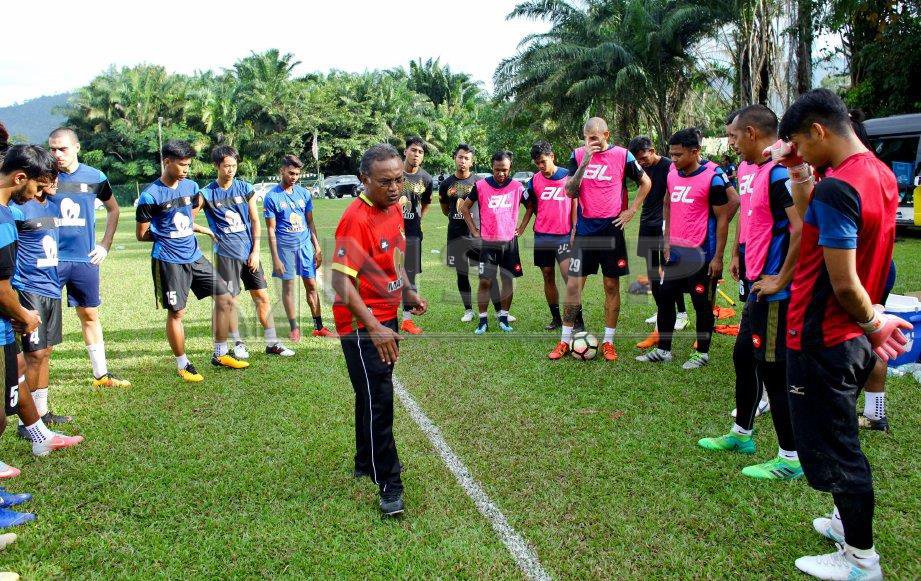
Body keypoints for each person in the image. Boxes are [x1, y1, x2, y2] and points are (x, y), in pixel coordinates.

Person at [767, 88, 912, 580]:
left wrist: (873, 322)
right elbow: (812, 223)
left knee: (836, 448)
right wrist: (798, 171)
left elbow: (844, 282)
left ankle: (860, 560)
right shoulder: (878, 173)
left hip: (823, 335)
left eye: (800, 145)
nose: (798, 154)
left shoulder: (839, 187)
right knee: (841, 432)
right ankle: (841, 523)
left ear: (818, 130)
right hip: (848, 336)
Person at [697, 104, 804, 480]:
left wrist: (781, 278)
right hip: (754, 282)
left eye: (734, 136)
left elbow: (801, 229)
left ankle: (790, 458)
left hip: (774, 291)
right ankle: (742, 435)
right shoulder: (747, 169)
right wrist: (740, 252)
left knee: (773, 371)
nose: (731, 143)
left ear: (753, 133)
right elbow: (752, 217)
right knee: (744, 356)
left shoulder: (780, 175)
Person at [331, 143, 427, 517]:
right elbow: (341, 284)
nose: (394, 187)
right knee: (380, 398)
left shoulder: (396, 209)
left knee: (370, 393)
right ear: (363, 180)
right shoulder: (356, 219)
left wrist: (408, 291)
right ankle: (389, 482)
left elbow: (394, 259)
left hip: (383, 316)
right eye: (385, 181)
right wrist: (373, 327)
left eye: (399, 179)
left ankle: (364, 459)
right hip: (360, 323)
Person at [0, 145, 84, 475]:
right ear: (20, 177)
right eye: (38, 185)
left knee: (22, 367)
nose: (41, 192)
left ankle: (39, 434)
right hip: (17, 306)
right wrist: (23, 313)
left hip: (10, 319)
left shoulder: (7, 211)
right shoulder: (7, 216)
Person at [135, 140, 249, 382]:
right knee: (178, 312)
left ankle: (220, 353)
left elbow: (186, 218)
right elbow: (142, 234)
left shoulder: (192, 187)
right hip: (168, 259)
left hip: (195, 255)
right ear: (167, 162)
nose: (186, 169)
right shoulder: (150, 195)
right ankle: (183, 363)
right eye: (182, 165)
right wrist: (168, 235)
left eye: (189, 165)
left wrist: (202, 230)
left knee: (226, 298)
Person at [547, 118, 651, 361]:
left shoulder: (623, 155)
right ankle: (564, 340)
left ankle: (608, 342)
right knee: (573, 287)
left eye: (594, 138)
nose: (590, 143)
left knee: (611, 286)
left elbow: (645, 182)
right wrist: (584, 161)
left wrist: (632, 210)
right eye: (587, 139)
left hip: (612, 231)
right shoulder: (577, 155)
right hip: (585, 233)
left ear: (606, 134)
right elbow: (570, 191)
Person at [636, 128, 738, 369]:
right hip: (676, 253)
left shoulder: (711, 178)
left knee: (701, 304)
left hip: (701, 254)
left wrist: (718, 257)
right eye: (671, 154)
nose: (674, 160)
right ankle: (664, 350)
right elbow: (668, 204)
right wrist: (668, 239)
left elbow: (723, 219)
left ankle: (701, 353)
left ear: (695, 152)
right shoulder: (672, 174)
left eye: (679, 155)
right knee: (665, 298)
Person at [47, 128, 130, 388]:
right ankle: (35, 385)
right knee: (44, 322)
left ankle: (101, 375)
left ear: (77, 148)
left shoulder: (96, 177)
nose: (57, 154)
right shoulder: (44, 176)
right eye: (52, 149)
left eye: (63, 148)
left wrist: (105, 244)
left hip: (84, 260)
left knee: (90, 314)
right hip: (49, 261)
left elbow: (113, 209)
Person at [200, 146, 294, 358]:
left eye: (234, 166)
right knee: (230, 300)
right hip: (225, 254)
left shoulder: (245, 188)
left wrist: (256, 252)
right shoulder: (206, 193)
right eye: (226, 166)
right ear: (217, 166)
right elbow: (186, 216)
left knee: (262, 297)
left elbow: (254, 221)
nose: (230, 170)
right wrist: (205, 230)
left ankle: (273, 343)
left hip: (249, 253)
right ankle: (238, 343)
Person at [12, 176, 73, 437]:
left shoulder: (53, 205)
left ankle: (42, 411)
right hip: (29, 288)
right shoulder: (18, 208)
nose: (56, 182)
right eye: (50, 178)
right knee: (33, 355)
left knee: (46, 352)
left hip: (51, 287)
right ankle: (25, 422)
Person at [628, 135, 688, 349]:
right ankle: (663, 310)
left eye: (644, 157)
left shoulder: (670, 166)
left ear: (652, 150)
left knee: (669, 273)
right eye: (638, 160)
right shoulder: (639, 168)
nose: (641, 163)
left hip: (664, 224)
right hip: (647, 223)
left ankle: (681, 314)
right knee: (652, 274)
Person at [263, 155, 331, 341]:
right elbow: (270, 230)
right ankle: (294, 327)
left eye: (297, 174)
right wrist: (276, 258)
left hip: (305, 248)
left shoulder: (304, 194)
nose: (294, 177)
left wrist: (317, 247)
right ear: (282, 171)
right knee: (289, 288)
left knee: (311, 285)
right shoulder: (271, 197)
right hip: (285, 250)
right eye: (291, 173)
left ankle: (318, 326)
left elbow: (310, 222)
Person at [458, 151, 526, 334]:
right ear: (492, 167)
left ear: (510, 167)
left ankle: (504, 317)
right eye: (497, 170)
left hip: (509, 242)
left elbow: (532, 205)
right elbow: (464, 208)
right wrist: (474, 230)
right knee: (485, 281)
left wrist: (523, 226)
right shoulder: (480, 186)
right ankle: (482, 320)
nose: (501, 174)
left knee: (507, 279)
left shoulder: (518, 187)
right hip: (488, 243)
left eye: (504, 170)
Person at [438, 144, 503, 322]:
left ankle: (499, 311)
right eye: (460, 157)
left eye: (467, 158)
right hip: (456, 234)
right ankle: (468, 310)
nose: (463, 161)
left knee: (487, 271)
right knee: (462, 272)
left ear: (472, 161)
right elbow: (445, 209)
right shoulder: (446, 183)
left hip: (477, 234)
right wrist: (457, 217)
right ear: (455, 158)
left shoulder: (480, 183)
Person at [519, 141, 576, 330]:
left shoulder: (569, 175)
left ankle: (577, 320)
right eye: (537, 164)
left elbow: (576, 204)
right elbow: (529, 203)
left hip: (565, 235)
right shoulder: (534, 180)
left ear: (552, 156)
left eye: (543, 161)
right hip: (542, 236)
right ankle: (556, 318)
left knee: (569, 277)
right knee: (547, 274)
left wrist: (574, 229)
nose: (541, 167)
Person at [398, 137, 433, 335]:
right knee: (384, 272)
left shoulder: (426, 179)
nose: (416, 155)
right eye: (413, 150)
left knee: (410, 274)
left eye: (420, 152)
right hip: (391, 233)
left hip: (413, 234)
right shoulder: (394, 173)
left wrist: (419, 219)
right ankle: (373, 313)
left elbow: (427, 202)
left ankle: (407, 320)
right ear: (405, 151)